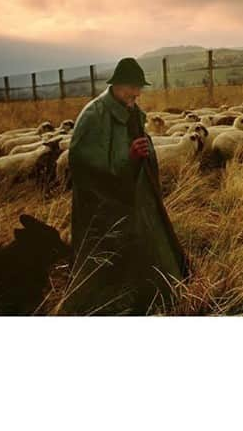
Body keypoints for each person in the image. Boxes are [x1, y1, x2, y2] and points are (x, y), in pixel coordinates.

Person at [64, 57, 189, 314]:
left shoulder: (131, 110)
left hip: (138, 196)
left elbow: (141, 146)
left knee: (150, 245)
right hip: (105, 203)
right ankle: (105, 305)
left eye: (139, 87)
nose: (137, 93)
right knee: (109, 255)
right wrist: (127, 157)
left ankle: (159, 295)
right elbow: (81, 162)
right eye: (132, 87)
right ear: (118, 85)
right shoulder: (93, 115)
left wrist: (144, 157)